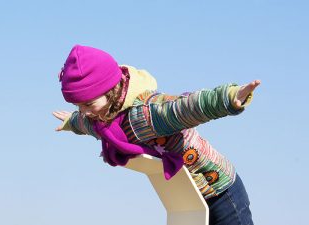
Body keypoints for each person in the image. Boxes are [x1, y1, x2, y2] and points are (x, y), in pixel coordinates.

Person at [53, 44, 260, 225]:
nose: (85, 111)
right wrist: (70, 121)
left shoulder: (146, 114)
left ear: (110, 90)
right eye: (78, 106)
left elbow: (186, 108)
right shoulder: (101, 119)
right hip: (186, 199)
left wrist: (228, 98)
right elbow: (85, 124)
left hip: (219, 190)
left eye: (88, 104)